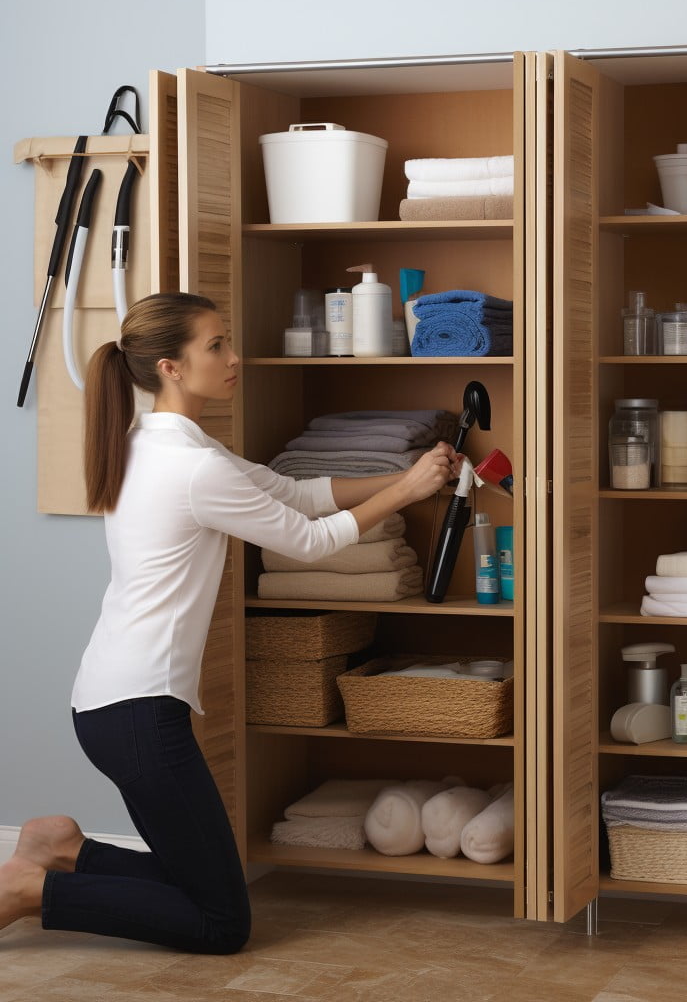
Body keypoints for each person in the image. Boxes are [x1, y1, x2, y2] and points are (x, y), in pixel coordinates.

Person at [0, 292, 461, 952]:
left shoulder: (159, 446)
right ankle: (29, 891)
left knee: (201, 884)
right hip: (137, 713)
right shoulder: (193, 467)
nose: (234, 356)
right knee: (220, 924)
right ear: (171, 368)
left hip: (113, 702)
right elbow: (304, 538)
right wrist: (406, 491)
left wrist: (405, 471)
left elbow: (297, 493)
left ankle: (64, 849)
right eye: (216, 345)